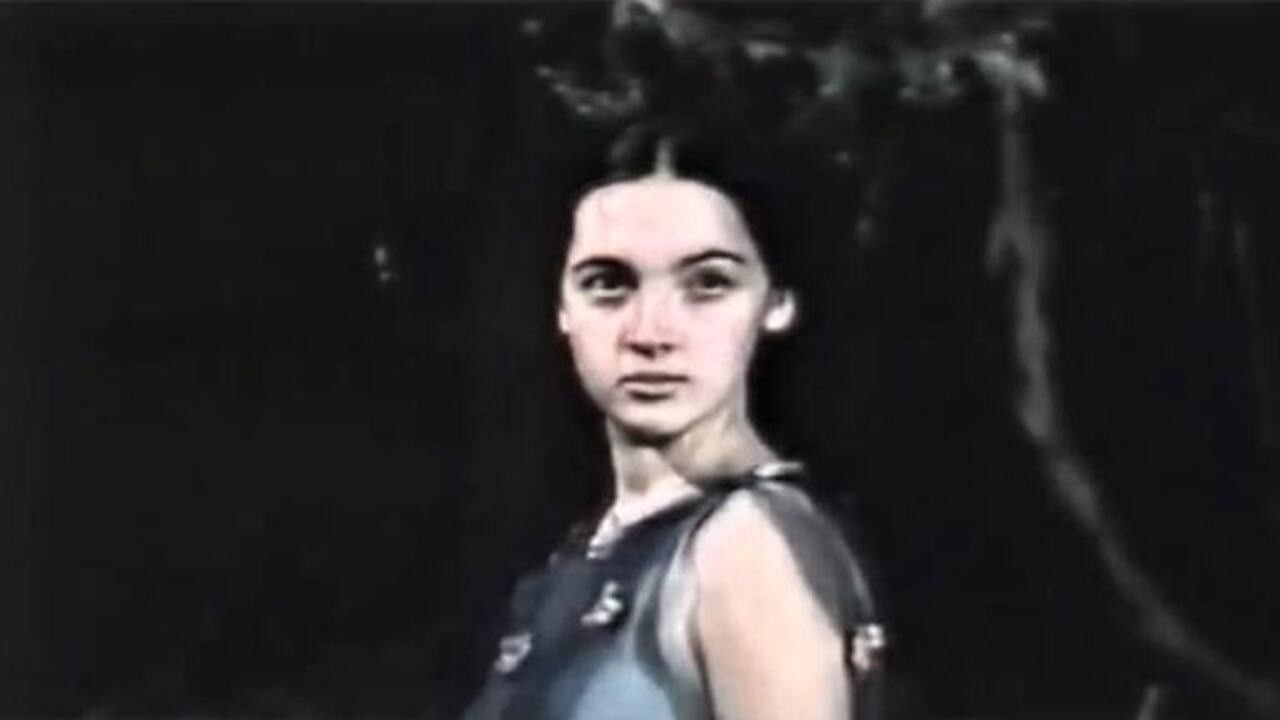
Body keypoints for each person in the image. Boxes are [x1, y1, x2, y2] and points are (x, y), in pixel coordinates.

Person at [462, 133, 884, 720]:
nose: (650, 334)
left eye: (707, 284)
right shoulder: (592, 547)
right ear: (561, 306)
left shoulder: (745, 550)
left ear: (777, 302)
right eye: (608, 284)